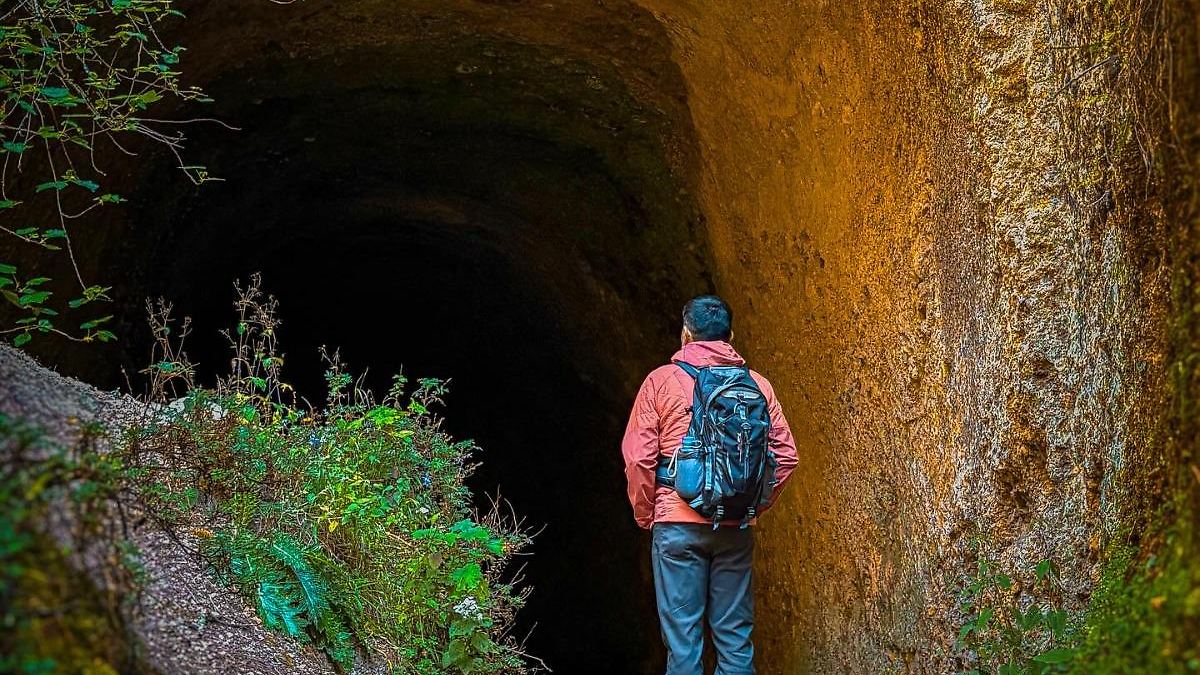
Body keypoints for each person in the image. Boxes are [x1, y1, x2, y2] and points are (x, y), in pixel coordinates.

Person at [621, 295, 798, 675]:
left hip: (676, 526)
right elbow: (786, 456)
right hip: (734, 528)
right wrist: (750, 505)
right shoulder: (758, 386)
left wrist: (646, 513)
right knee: (735, 644)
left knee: (684, 647)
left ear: (686, 333)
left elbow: (639, 457)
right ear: (730, 335)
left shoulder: (660, 382)